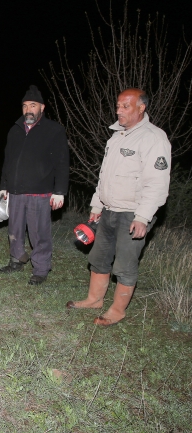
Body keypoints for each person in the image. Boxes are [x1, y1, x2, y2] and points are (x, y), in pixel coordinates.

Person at [66, 88, 171, 326]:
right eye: (118, 106)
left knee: (124, 264)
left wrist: (143, 217)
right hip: (109, 210)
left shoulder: (154, 138)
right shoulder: (116, 137)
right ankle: (94, 299)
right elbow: (105, 177)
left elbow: (157, 182)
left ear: (141, 108)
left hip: (133, 213)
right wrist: (96, 204)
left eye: (126, 106)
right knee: (99, 257)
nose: (119, 110)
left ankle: (117, 310)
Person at [0, 85, 69, 285]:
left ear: (42, 107)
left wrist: (60, 191)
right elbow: (8, 160)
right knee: (15, 229)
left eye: (33, 105)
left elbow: (62, 163)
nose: (28, 109)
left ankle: (40, 269)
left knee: (39, 233)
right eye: (25, 106)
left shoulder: (54, 130)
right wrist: (4, 185)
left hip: (40, 192)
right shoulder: (15, 130)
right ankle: (16, 260)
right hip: (15, 190)